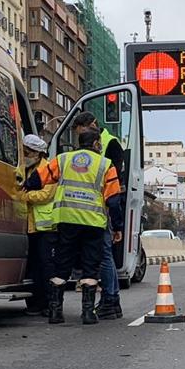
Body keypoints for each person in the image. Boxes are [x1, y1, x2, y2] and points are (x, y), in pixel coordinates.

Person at [25, 130, 124, 325]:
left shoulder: (63, 160)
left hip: (67, 221)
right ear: (96, 144)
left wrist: (26, 185)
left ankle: (55, 312)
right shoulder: (105, 165)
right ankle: (87, 313)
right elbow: (113, 200)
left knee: (62, 264)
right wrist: (118, 226)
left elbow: (39, 179)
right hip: (93, 223)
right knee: (90, 267)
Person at [71, 112, 125, 319]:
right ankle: (111, 300)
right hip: (88, 211)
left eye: (80, 132)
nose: (80, 137)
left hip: (101, 209)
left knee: (104, 255)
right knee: (100, 255)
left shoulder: (109, 144)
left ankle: (111, 300)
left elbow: (113, 181)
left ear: (89, 126)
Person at [16, 134, 57, 316]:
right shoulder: (25, 169)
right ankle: (35, 303)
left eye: (27, 152)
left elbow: (46, 195)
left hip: (46, 227)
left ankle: (50, 303)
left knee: (46, 267)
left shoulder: (48, 169)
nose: (25, 155)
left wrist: (23, 197)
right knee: (33, 267)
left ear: (37, 153)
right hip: (30, 226)